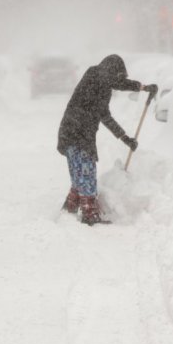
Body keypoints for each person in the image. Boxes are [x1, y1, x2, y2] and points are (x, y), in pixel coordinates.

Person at [56, 54, 158, 225]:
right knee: (86, 171)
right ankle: (89, 214)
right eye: (117, 75)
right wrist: (142, 87)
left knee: (80, 172)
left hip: (75, 133)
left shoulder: (101, 88)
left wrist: (125, 138)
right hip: (76, 132)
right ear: (111, 70)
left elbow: (105, 117)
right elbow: (116, 82)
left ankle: (71, 207)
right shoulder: (94, 74)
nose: (117, 80)